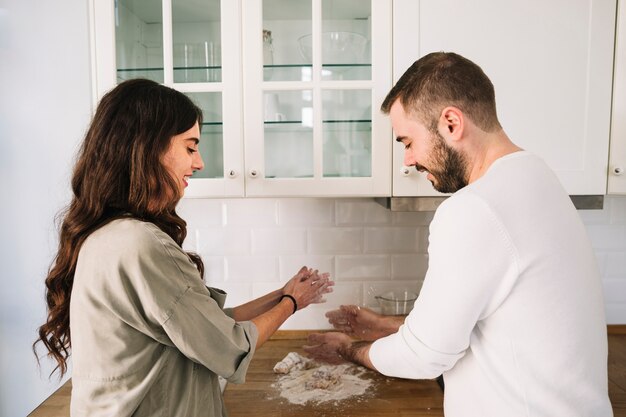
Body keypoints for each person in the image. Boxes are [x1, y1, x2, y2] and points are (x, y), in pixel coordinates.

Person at [303, 52, 612, 417]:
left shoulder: (475, 208)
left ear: (451, 122)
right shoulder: (536, 176)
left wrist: (348, 349)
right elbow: (498, 318)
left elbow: (423, 356)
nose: (408, 160)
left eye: (407, 142)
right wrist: (388, 326)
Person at [33, 78, 334, 417]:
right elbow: (230, 346)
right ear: (147, 147)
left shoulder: (108, 235)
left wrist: (282, 294)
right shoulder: (141, 244)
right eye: (190, 147)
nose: (199, 162)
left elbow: (208, 326)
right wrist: (293, 304)